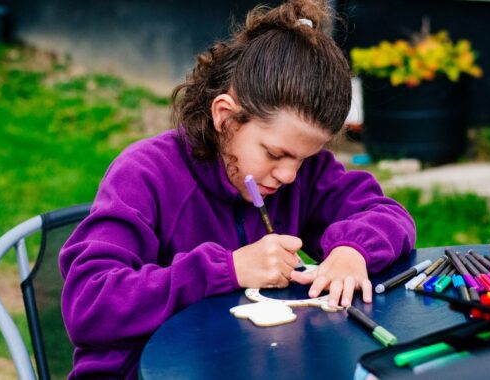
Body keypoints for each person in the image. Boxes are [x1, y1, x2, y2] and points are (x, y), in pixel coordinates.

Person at [60, 0, 415, 378]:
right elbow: (89, 303)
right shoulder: (146, 174)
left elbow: (389, 215)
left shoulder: (302, 172)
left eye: (304, 158)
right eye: (275, 153)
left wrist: (352, 251)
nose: (289, 175)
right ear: (225, 116)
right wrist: (226, 270)